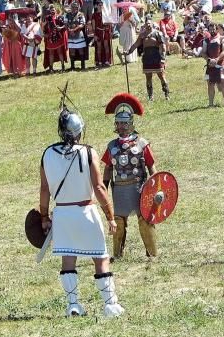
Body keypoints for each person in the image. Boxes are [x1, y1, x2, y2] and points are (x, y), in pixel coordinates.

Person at [40, 106, 121, 319]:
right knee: (100, 258)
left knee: (68, 259)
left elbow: (45, 189)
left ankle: (73, 305)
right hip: (86, 211)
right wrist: (110, 216)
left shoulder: (47, 154)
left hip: (63, 215)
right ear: (79, 131)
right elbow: (99, 187)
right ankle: (110, 305)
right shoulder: (88, 152)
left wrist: (44, 216)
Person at [102, 93, 158, 259]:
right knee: (118, 221)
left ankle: (152, 253)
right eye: (119, 123)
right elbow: (107, 168)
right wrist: (103, 187)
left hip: (139, 187)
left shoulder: (142, 144)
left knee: (145, 220)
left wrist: (156, 185)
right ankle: (118, 255)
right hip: (120, 189)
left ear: (131, 123)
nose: (122, 127)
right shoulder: (112, 146)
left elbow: (151, 166)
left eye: (125, 123)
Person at [125, 21, 170, 101]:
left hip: (156, 57)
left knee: (161, 76)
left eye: (149, 23)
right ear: (145, 25)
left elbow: (163, 47)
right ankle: (150, 97)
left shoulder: (158, 33)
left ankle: (167, 95)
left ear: (152, 24)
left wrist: (163, 58)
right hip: (147, 58)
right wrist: (128, 51)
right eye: (147, 23)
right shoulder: (142, 35)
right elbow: (136, 44)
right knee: (148, 77)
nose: (148, 25)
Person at [204, 24, 224, 108]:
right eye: (210, 29)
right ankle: (211, 103)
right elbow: (203, 52)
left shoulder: (221, 39)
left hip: (220, 64)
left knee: (223, 83)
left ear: (216, 30)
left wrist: (216, 59)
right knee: (210, 84)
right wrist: (209, 60)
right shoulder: (206, 40)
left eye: (213, 29)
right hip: (210, 65)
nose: (212, 31)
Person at [64, 0, 88, 71]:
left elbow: (82, 24)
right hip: (70, 35)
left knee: (81, 50)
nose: (75, 8)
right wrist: (69, 30)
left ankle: (82, 66)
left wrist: (74, 30)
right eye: (73, 7)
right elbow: (65, 23)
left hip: (79, 34)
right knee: (72, 50)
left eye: (76, 7)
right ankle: (72, 66)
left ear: (78, 7)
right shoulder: (67, 14)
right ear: (71, 7)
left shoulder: (81, 14)